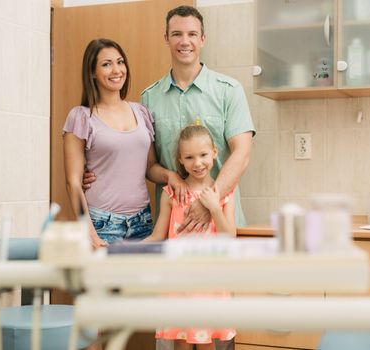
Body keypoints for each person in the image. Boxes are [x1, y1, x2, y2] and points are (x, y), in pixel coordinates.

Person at [83, 5, 255, 233]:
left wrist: (208, 202)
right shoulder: (149, 98)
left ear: (202, 39)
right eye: (177, 34)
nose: (185, 41)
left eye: (192, 34)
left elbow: (242, 154)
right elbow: (148, 165)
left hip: (221, 223)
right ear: (166, 38)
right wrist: (96, 173)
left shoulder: (229, 91)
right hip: (173, 227)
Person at [145, 124, 236, 350]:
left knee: (206, 343)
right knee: (181, 343)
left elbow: (229, 237)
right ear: (181, 160)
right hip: (179, 282)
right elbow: (158, 235)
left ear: (214, 152)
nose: (198, 163)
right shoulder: (171, 194)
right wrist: (122, 248)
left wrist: (214, 208)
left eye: (203, 155)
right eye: (190, 157)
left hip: (210, 281)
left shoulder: (223, 194)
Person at [63, 38, 161, 248]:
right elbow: (73, 182)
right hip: (102, 225)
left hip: (142, 222)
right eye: (106, 64)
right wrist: (90, 234)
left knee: (140, 281)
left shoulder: (141, 112)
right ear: (92, 72)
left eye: (120, 62)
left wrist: (175, 178)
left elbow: (150, 167)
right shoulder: (81, 117)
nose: (117, 70)